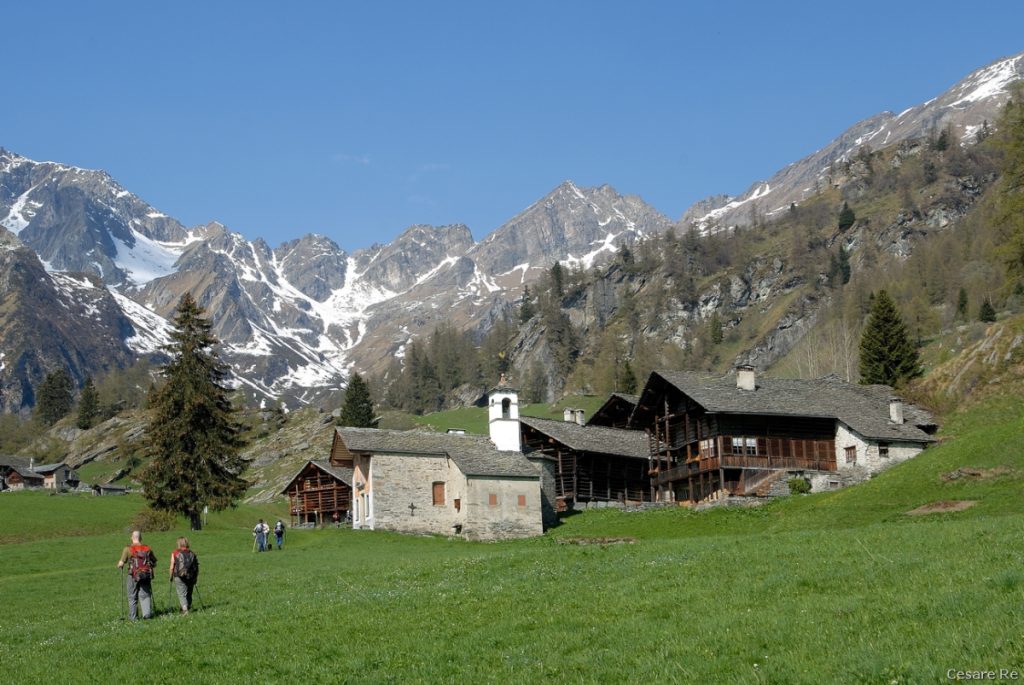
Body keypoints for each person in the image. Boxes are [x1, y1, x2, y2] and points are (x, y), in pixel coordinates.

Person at [117, 530, 156, 620]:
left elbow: (121, 563)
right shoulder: (147, 548)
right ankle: (147, 615)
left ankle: (133, 618)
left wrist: (119, 565)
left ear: (132, 537)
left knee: (132, 596)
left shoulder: (127, 549)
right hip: (145, 575)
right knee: (145, 595)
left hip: (132, 575)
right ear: (140, 538)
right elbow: (154, 562)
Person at [168, 537, 199, 614]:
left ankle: (185, 610)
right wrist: (196, 577)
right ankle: (187, 606)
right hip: (191, 576)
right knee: (189, 592)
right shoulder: (192, 553)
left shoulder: (175, 553)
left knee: (181, 593)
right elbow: (196, 567)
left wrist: (171, 576)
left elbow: (172, 566)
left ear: (178, 543)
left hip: (179, 576)